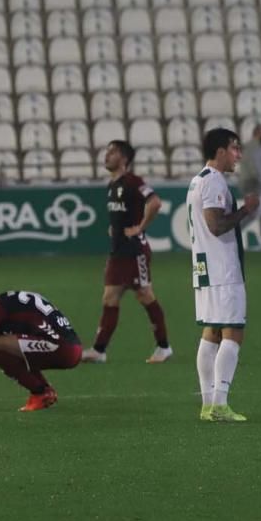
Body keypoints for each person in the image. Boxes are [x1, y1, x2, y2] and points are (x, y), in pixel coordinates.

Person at [188, 128, 261, 422]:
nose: (238, 155)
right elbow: (216, 225)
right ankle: (219, 403)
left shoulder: (197, 180)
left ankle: (208, 405)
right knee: (233, 332)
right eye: (234, 148)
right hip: (223, 271)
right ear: (219, 151)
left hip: (205, 269)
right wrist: (246, 210)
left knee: (212, 332)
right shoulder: (215, 182)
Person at [82, 140, 172, 365]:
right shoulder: (111, 186)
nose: (106, 155)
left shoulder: (133, 181)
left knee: (145, 295)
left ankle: (164, 347)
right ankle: (99, 350)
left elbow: (155, 202)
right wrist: (114, 228)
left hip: (134, 251)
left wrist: (140, 227)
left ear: (123, 158)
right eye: (107, 151)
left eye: (111, 152)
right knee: (109, 297)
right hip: (117, 251)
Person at [0, 290, 81, 412]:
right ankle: (44, 391)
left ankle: (40, 392)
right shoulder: (7, 305)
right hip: (72, 348)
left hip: (62, 348)